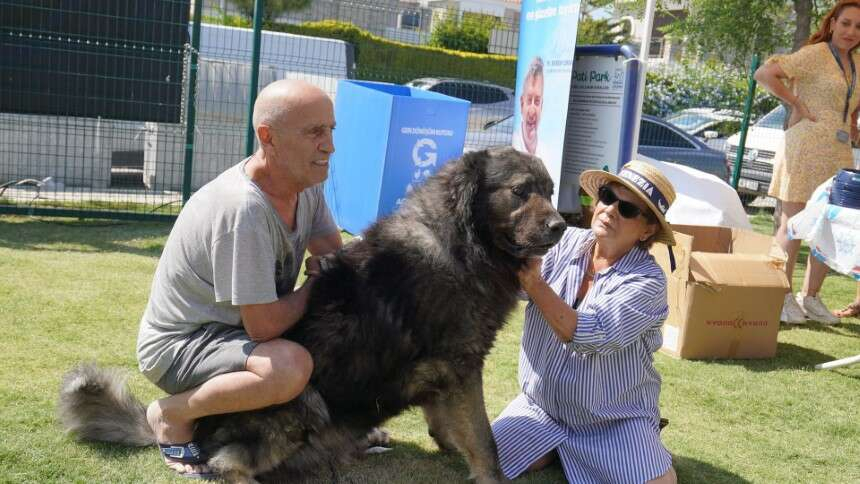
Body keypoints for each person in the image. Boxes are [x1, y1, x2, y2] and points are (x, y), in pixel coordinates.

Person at [136, 79, 342, 478]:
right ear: (269, 137)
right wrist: (316, 283)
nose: (329, 146)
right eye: (315, 132)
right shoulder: (243, 209)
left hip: (234, 335)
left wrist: (333, 273)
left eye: (331, 130)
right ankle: (170, 415)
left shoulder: (305, 185)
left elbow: (332, 254)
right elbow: (264, 326)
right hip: (183, 344)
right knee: (288, 367)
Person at [492, 160, 677, 484]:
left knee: (659, 483)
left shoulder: (648, 282)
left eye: (629, 209)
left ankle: (637, 438)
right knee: (485, 456)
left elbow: (593, 333)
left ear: (647, 230)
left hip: (610, 419)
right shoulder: (562, 241)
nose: (611, 210)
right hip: (541, 406)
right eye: (607, 196)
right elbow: (507, 273)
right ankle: (559, 448)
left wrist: (536, 285)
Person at [754, 0, 860, 325]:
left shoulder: (857, 62)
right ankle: (779, 294)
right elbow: (765, 73)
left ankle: (810, 297)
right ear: (832, 23)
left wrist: (853, 124)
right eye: (846, 23)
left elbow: (851, 102)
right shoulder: (814, 55)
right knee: (794, 221)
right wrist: (796, 102)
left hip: (839, 151)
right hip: (806, 145)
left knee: (830, 224)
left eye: (858, 27)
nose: (851, 32)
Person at [513, 56, 544, 156]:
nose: (532, 111)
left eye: (537, 102)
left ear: (542, 106)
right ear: (522, 104)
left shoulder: (546, 152)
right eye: (529, 100)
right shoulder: (514, 147)